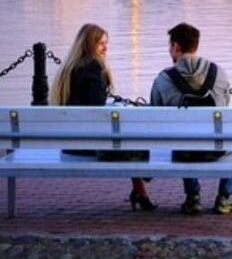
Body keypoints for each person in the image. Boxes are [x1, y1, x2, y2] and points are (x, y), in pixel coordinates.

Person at [50, 23, 156, 211]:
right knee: (136, 144)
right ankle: (144, 175)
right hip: (88, 145)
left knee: (128, 140)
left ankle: (140, 191)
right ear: (88, 45)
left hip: (70, 143)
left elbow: (90, 108)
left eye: (106, 43)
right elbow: (99, 110)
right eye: (100, 44)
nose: (106, 48)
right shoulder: (93, 68)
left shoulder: (70, 68)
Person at [150, 22, 232, 215]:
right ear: (196, 45)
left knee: (183, 136)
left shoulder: (163, 79)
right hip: (216, 148)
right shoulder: (219, 73)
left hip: (183, 151)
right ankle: (225, 197)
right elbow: (225, 105)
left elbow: (154, 116)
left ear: (175, 47)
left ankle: (193, 197)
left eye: (170, 47)